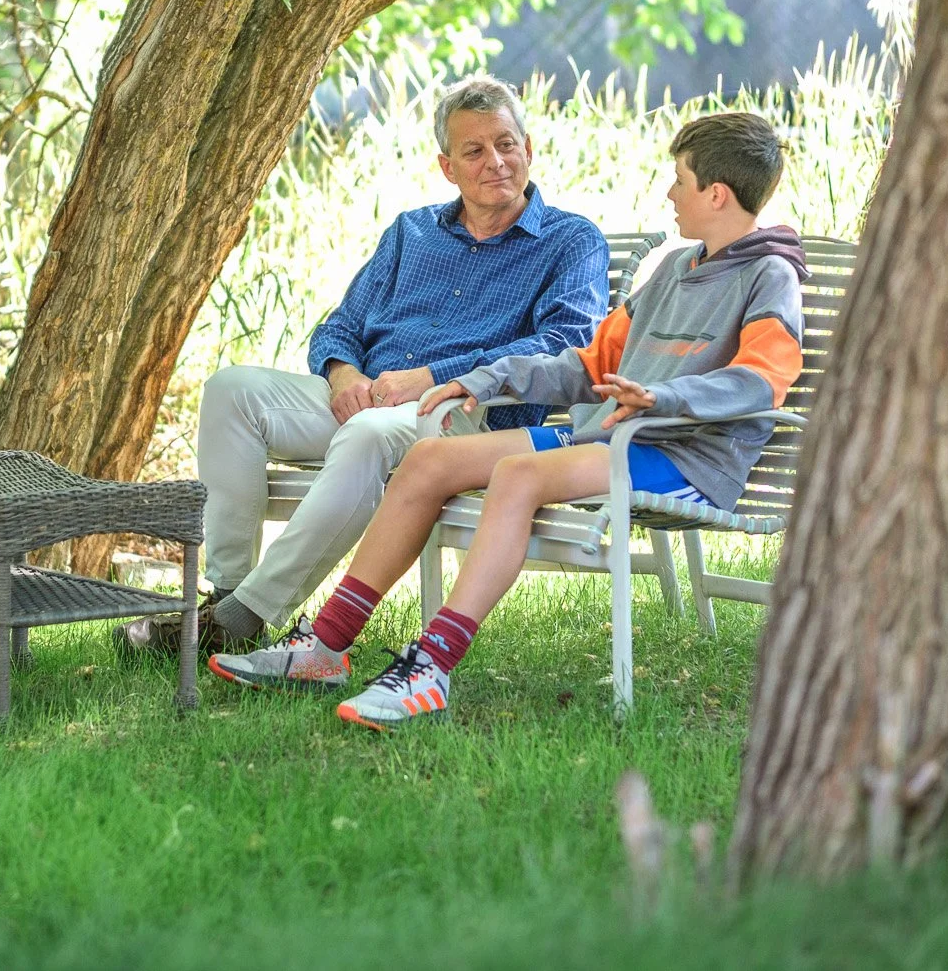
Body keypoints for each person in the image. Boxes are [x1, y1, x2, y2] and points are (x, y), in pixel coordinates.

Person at [207, 111, 807, 729]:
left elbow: (763, 379)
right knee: (430, 457)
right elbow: (586, 363)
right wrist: (480, 379)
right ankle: (326, 648)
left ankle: (431, 668)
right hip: (609, 433)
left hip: (682, 454)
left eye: (678, 179)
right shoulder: (674, 273)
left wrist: (664, 399)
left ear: (716, 193)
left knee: (520, 474)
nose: (668, 192)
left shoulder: (770, 276)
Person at [116, 77, 611, 656]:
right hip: (372, 397)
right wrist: (343, 373)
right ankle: (223, 593)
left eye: (507, 144)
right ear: (447, 167)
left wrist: (432, 377)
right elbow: (341, 324)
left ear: (529, 146)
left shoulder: (571, 241)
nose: (496, 162)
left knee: (367, 434)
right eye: (474, 151)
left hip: (468, 413)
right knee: (232, 391)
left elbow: (564, 344)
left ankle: (247, 614)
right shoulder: (412, 233)